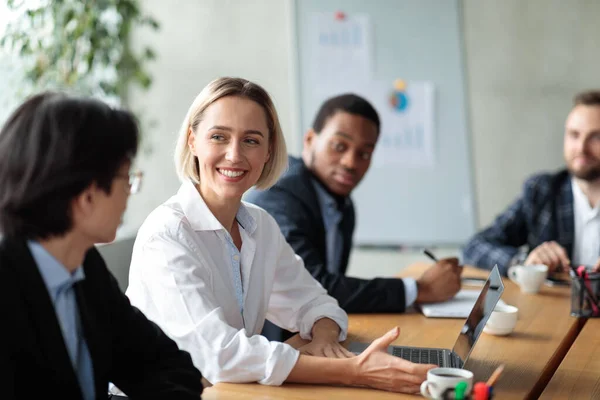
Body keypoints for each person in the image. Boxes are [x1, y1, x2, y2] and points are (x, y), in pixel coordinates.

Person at [125, 77, 436, 394]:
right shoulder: (167, 234)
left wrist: (324, 340)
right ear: (193, 141)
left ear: (268, 151)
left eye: (251, 141)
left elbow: (320, 303)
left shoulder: (260, 225)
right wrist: (350, 370)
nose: (234, 155)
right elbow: (219, 355)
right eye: (219, 137)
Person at [0, 92, 203, 399]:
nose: (129, 195)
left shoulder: (85, 268)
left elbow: (170, 366)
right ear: (88, 197)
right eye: (127, 180)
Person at [245, 93, 462, 319]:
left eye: (365, 153)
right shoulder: (278, 193)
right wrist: (418, 289)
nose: (351, 162)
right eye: (339, 146)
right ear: (310, 140)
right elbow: (310, 286)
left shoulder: (342, 204)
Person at [463, 90, 600, 275]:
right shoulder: (541, 191)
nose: (581, 148)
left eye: (596, 137)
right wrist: (524, 262)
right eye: (574, 135)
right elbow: (474, 247)